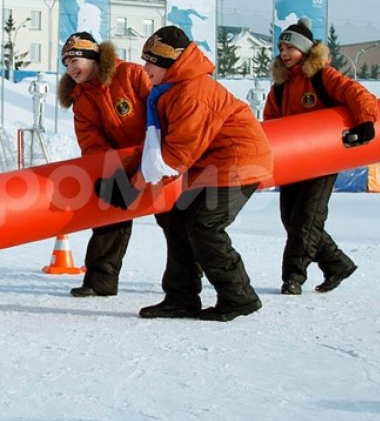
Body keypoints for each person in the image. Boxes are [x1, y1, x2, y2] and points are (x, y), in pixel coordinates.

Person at [101, 25, 273, 322]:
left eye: (151, 62)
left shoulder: (193, 92)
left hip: (238, 162)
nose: (145, 68)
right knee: (174, 218)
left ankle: (239, 296)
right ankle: (181, 297)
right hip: (214, 165)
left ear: (170, 63)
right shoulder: (170, 90)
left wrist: (133, 186)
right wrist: (128, 176)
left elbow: (175, 155)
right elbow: (158, 145)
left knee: (204, 226)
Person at [264, 17, 378, 295]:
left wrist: (365, 122)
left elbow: (358, 93)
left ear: (304, 50)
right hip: (292, 162)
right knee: (290, 218)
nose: (284, 53)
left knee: (306, 218)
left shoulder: (322, 77)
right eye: (281, 48)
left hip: (323, 160)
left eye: (290, 47)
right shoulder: (279, 88)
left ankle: (293, 277)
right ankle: (336, 263)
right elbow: (270, 123)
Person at [58, 30, 151, 297]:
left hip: (157, 158)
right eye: (66, 64)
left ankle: (187, 282)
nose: (71, 68)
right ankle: (100, 282)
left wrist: (155, 156)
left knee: (175, 221)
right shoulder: (81, 98)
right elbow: (91, 142)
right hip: (121, 163)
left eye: (75, 60)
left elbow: (161, 111)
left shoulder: (131, 74)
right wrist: (113, 172)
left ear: (93, 57)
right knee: (109, 215)